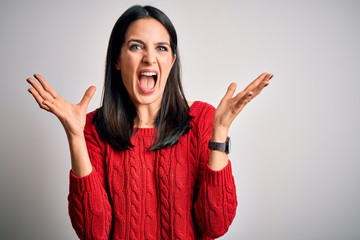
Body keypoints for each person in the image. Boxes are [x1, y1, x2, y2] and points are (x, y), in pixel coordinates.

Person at [26, 5, 273, 240]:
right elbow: (93, 233)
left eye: (161, 48)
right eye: (136, 47)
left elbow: (215, 224)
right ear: (117, 60)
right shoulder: (92, 128)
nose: (150, 58)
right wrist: (75, 136)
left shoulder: (202, 120)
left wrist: (219, 132)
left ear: (172, 61)